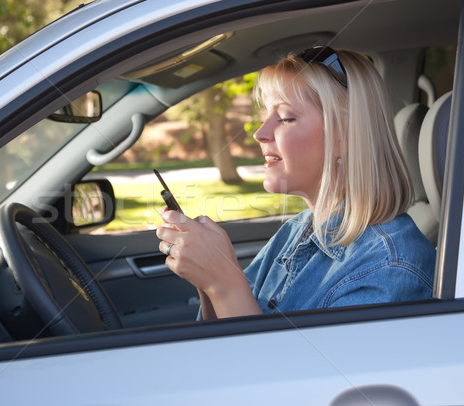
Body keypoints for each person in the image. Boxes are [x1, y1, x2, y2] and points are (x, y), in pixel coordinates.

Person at [156, 46, 435, 320]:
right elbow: (224, 339)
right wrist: (207, 279)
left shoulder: (389, 267)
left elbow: (278, 367)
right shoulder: (298, 229)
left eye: (286, 117)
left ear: (345, 137)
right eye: (266, 114)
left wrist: (223, 282)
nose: (259, 134)